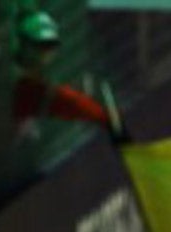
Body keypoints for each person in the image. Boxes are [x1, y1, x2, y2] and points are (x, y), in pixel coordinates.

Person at [9, 11, 127, 139]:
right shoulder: (19, 78)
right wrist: (101, 116)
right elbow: (63, 100)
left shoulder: (37, 72)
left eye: (50, 46)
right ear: (24, 43)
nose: (46, 52)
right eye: (40, 45)